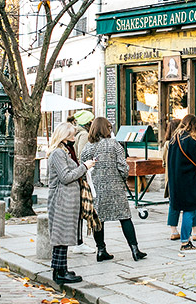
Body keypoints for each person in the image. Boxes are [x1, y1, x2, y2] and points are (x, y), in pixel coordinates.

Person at [80, 117, 146, 262]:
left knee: (99, 219)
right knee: (125, 218)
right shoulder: (114, 145)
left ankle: (101, 250)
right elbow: (123, 166)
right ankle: (135, 250)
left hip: (97, 188)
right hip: (115, 187)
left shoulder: (88, 147)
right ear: (106, 129)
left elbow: (82, 167)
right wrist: (123, 178)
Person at [47, 122, 96, 283]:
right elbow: (66, 176)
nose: (74, 138)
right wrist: (84, 167)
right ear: (63, 137)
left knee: (64, 235)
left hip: (67, 199)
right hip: (62, 199)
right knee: (61, 235)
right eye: (71, 136)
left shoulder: (64, 152)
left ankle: (61, 268)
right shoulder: (58, 154)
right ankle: (59, 272)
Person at [166, 114, 196, 254]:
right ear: (194, 126)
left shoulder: (173, 140)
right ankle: (185, 242)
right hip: (189, 181)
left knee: (183, 209)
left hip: (176, 180)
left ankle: (185, 239)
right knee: (190, 210)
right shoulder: (191, 141)